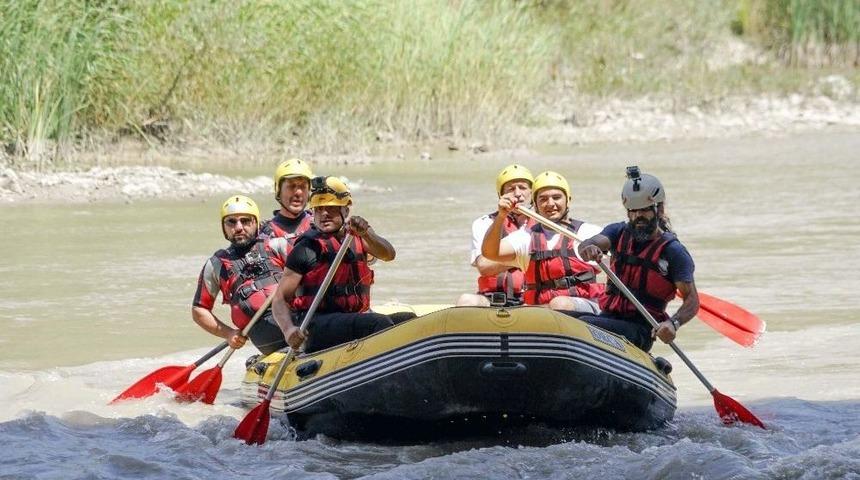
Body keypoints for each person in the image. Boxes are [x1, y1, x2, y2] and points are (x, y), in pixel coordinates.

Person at [271, 176, 399, 353]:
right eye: (319, 209)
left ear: (345, 211)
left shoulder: (358, 235)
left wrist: (367, 234)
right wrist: (288, 330)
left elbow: (388, 254)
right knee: (380, 324)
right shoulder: (306, 248)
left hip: (353, 317)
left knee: (408, 319)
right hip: (316, 325)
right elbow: (279, 300)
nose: (324, 214)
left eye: (331, 209)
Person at [577, 170, 699, 352]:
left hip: (640, 330)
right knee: (561, 318)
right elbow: (590, 243)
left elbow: (692, 300)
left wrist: (673, 323)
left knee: (583, 324)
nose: (637, 217)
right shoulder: (617, 232)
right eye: (633, 211)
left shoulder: (673, 252)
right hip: (608, 317)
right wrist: (589, 247)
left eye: (644, 210)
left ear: (659, 210)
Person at [482, 171, 605, 313]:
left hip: (585, 307)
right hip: (542, 313)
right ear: (535, 204)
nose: (550, 203)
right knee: (528, 311)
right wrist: (501, 216)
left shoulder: (589, 233)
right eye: (543, 199)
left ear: (568, 200)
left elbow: (618, 269)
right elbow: (490, 253)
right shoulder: (526, 237)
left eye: (556, 197)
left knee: (559, 304)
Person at [192, 195, 291, 355]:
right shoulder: (217, 265)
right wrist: (228, 333)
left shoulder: (277, 246)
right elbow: (199, 309)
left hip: (296, 318)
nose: (238, 227)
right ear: (223, 227)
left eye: (245, 221)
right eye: (231, 222)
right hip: (264, 333)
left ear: (256, 224)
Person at [457, 164, 535, 307]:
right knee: (466, 300)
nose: (518, 194)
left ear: (532, 192)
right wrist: (526, 258)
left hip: (530, 301)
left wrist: (500, 260)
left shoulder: (544, 226)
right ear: (501, 195)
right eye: (511, 189)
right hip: (491, 299)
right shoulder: (484, 223)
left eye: (523, 188)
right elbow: (485, 266)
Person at [259, 158, 314, 240]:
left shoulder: (319, 224)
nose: (298, 192)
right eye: (291, 186)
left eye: (303, 187)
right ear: (278, 190)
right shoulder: (265, 232)